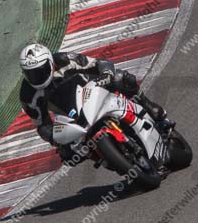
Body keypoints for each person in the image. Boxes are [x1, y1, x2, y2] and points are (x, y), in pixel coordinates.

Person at [19, 43, 173, 160]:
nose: (37, 77)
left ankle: (149, 107)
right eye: (31, 74)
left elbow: (98, 63)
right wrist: (56, 140)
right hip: (70, 116)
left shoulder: (64, 60)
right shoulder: (28, 95)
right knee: (69, 156)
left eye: (40, 70)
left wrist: (106, 74)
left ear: (51, 63)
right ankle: (109, 158)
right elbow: (42, 124)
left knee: (124, 79)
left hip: (90, 89)